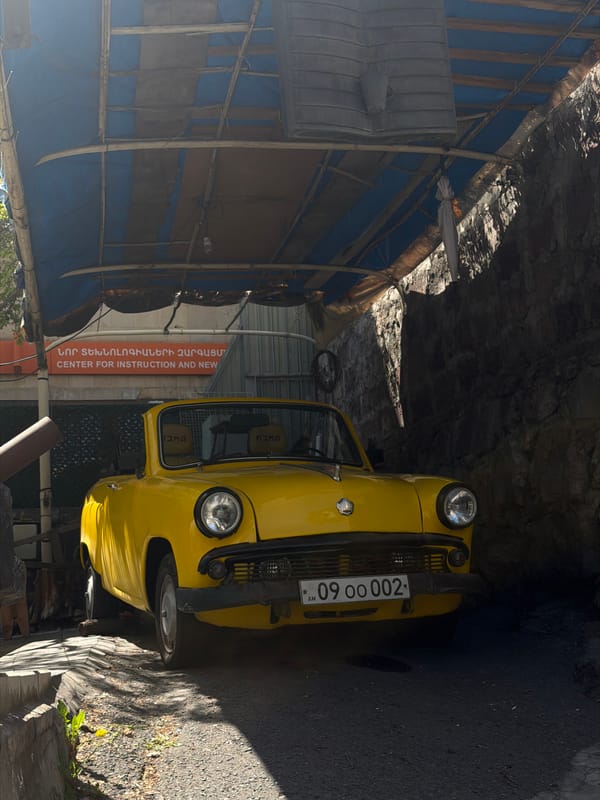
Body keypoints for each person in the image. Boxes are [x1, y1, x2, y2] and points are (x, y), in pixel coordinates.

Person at [0, 555, 29, 640]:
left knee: (16, 616)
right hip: (12, 592)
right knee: (10, 618)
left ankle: (24, 634)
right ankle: (24, 634)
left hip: (12, 592)